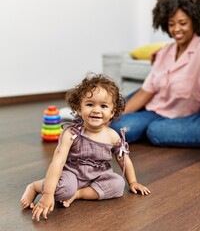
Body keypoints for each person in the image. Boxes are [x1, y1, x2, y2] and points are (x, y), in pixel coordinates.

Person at [110, 0, 200, 148]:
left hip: (179, 119)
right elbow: (146, 92)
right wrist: (112, 116)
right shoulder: (166, 51)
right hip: (152, 110)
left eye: (183, 23)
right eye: (171, 24)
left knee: (149, 131)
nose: (176, 29)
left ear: (194, 21)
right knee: (116, 126)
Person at [20, 73, 150, 221]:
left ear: (112, 112)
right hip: (72, 175)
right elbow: (58, 162)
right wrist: (48, 194)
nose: (96, 110)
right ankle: (36, 186)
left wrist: (133, 182)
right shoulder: (72, 133)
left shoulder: (113, 136)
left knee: (118, 185)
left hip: (98, 177)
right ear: (79, 109)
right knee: (64, 190)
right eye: (90, 104)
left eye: (103, 106)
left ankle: (79, 194)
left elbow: (123, 160)